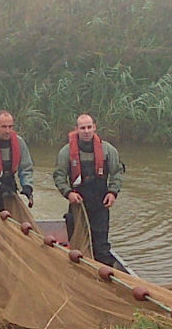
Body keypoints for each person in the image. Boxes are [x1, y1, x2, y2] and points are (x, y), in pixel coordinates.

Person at [52, 113, 124, 267]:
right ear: (77, 129)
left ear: (94, 128)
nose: (86, 131)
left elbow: (117, 173)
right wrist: (68, 193)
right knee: (77, 245)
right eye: (82, 128)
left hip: (100, 204)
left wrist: (113, 192)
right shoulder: (66, 152)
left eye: (89, 127)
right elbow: (59, 176)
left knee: (101, 247)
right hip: (78, 204)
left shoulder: (108, 150)